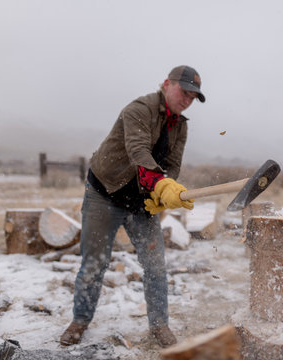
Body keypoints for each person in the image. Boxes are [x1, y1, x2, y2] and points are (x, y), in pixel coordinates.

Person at [60, 65, 205, 348]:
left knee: (155, 266)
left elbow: (172, 164)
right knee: (94, 262)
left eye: (192, 97)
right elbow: (137, 151)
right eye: (183, 92)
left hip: (141, 203)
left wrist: (164, 190)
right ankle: (80, 320)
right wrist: (160, 184)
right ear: (166, 84)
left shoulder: (181, 125)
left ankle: (159, 326)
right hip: (105, 193)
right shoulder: (138, 109)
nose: (187, 100)